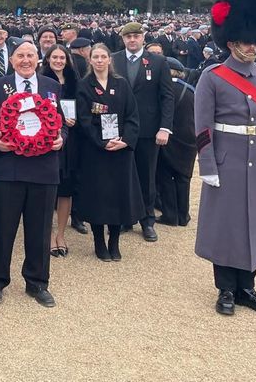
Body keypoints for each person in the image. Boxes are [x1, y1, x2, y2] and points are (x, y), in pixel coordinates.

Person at [195, 0, 256, 316]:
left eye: (255, 41)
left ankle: (248, 286)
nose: (252, 46)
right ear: (231, 42)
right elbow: (202, 127)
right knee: (226, 224)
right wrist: (207, 164)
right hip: (226, 159)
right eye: (246, 41)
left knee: (255, 223)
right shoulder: (213, 77)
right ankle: (226, 289)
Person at [0, 42, 65, 307]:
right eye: (21, 55)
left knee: (40, 231)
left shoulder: (52, 86)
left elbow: (62, 124)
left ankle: (37, 282)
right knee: (4, 229)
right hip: (10, 167)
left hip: (44, 168)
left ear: (38, 59)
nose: (26, 60)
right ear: (12, 59)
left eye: (30, 55)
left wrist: (61, 139)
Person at [75, 43, 144, 262]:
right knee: (99, 197)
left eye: (103, 56)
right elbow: (84, 120)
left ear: (109, 59)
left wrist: (126, 141)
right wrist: (102, 142)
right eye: (95, 56)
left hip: (121, 150)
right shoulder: (84, 85)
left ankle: (114, 242)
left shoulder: (121, 84)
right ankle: (99, 242)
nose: (99, 60)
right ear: (90, 60)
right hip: (96, 151)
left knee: (118, 196)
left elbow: (133, 115)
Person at [111, 22, 175, 242]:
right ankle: (124, 217)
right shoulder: (114, 59)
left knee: (147, 176)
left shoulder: (158, 61)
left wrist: (164, 128)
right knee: (121, 174)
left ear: (143, 38)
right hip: (119, 128)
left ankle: (147, 220)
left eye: (136, 36)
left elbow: (167, 96)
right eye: (128, 36)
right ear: (123, 39)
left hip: (148, 129)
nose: (132, 40)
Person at [39, 44, 80, 255]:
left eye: (62, 58)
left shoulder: (75, 81)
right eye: (54, 57)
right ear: (47, 59)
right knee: (48, 190)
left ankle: (61, 234)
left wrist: (76, 119)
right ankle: (47, 235)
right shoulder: (40, 80)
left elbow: (84, 105)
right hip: (48, 139)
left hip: (71, 140)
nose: (58, 61)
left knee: (66, 188)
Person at [154, 58, 197, 226]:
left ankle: (170, 214)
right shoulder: (191, 90)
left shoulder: (162, 89)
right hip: (189, 140)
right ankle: (183, 214)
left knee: (165, 177)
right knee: (183, 179)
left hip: (168, 139)